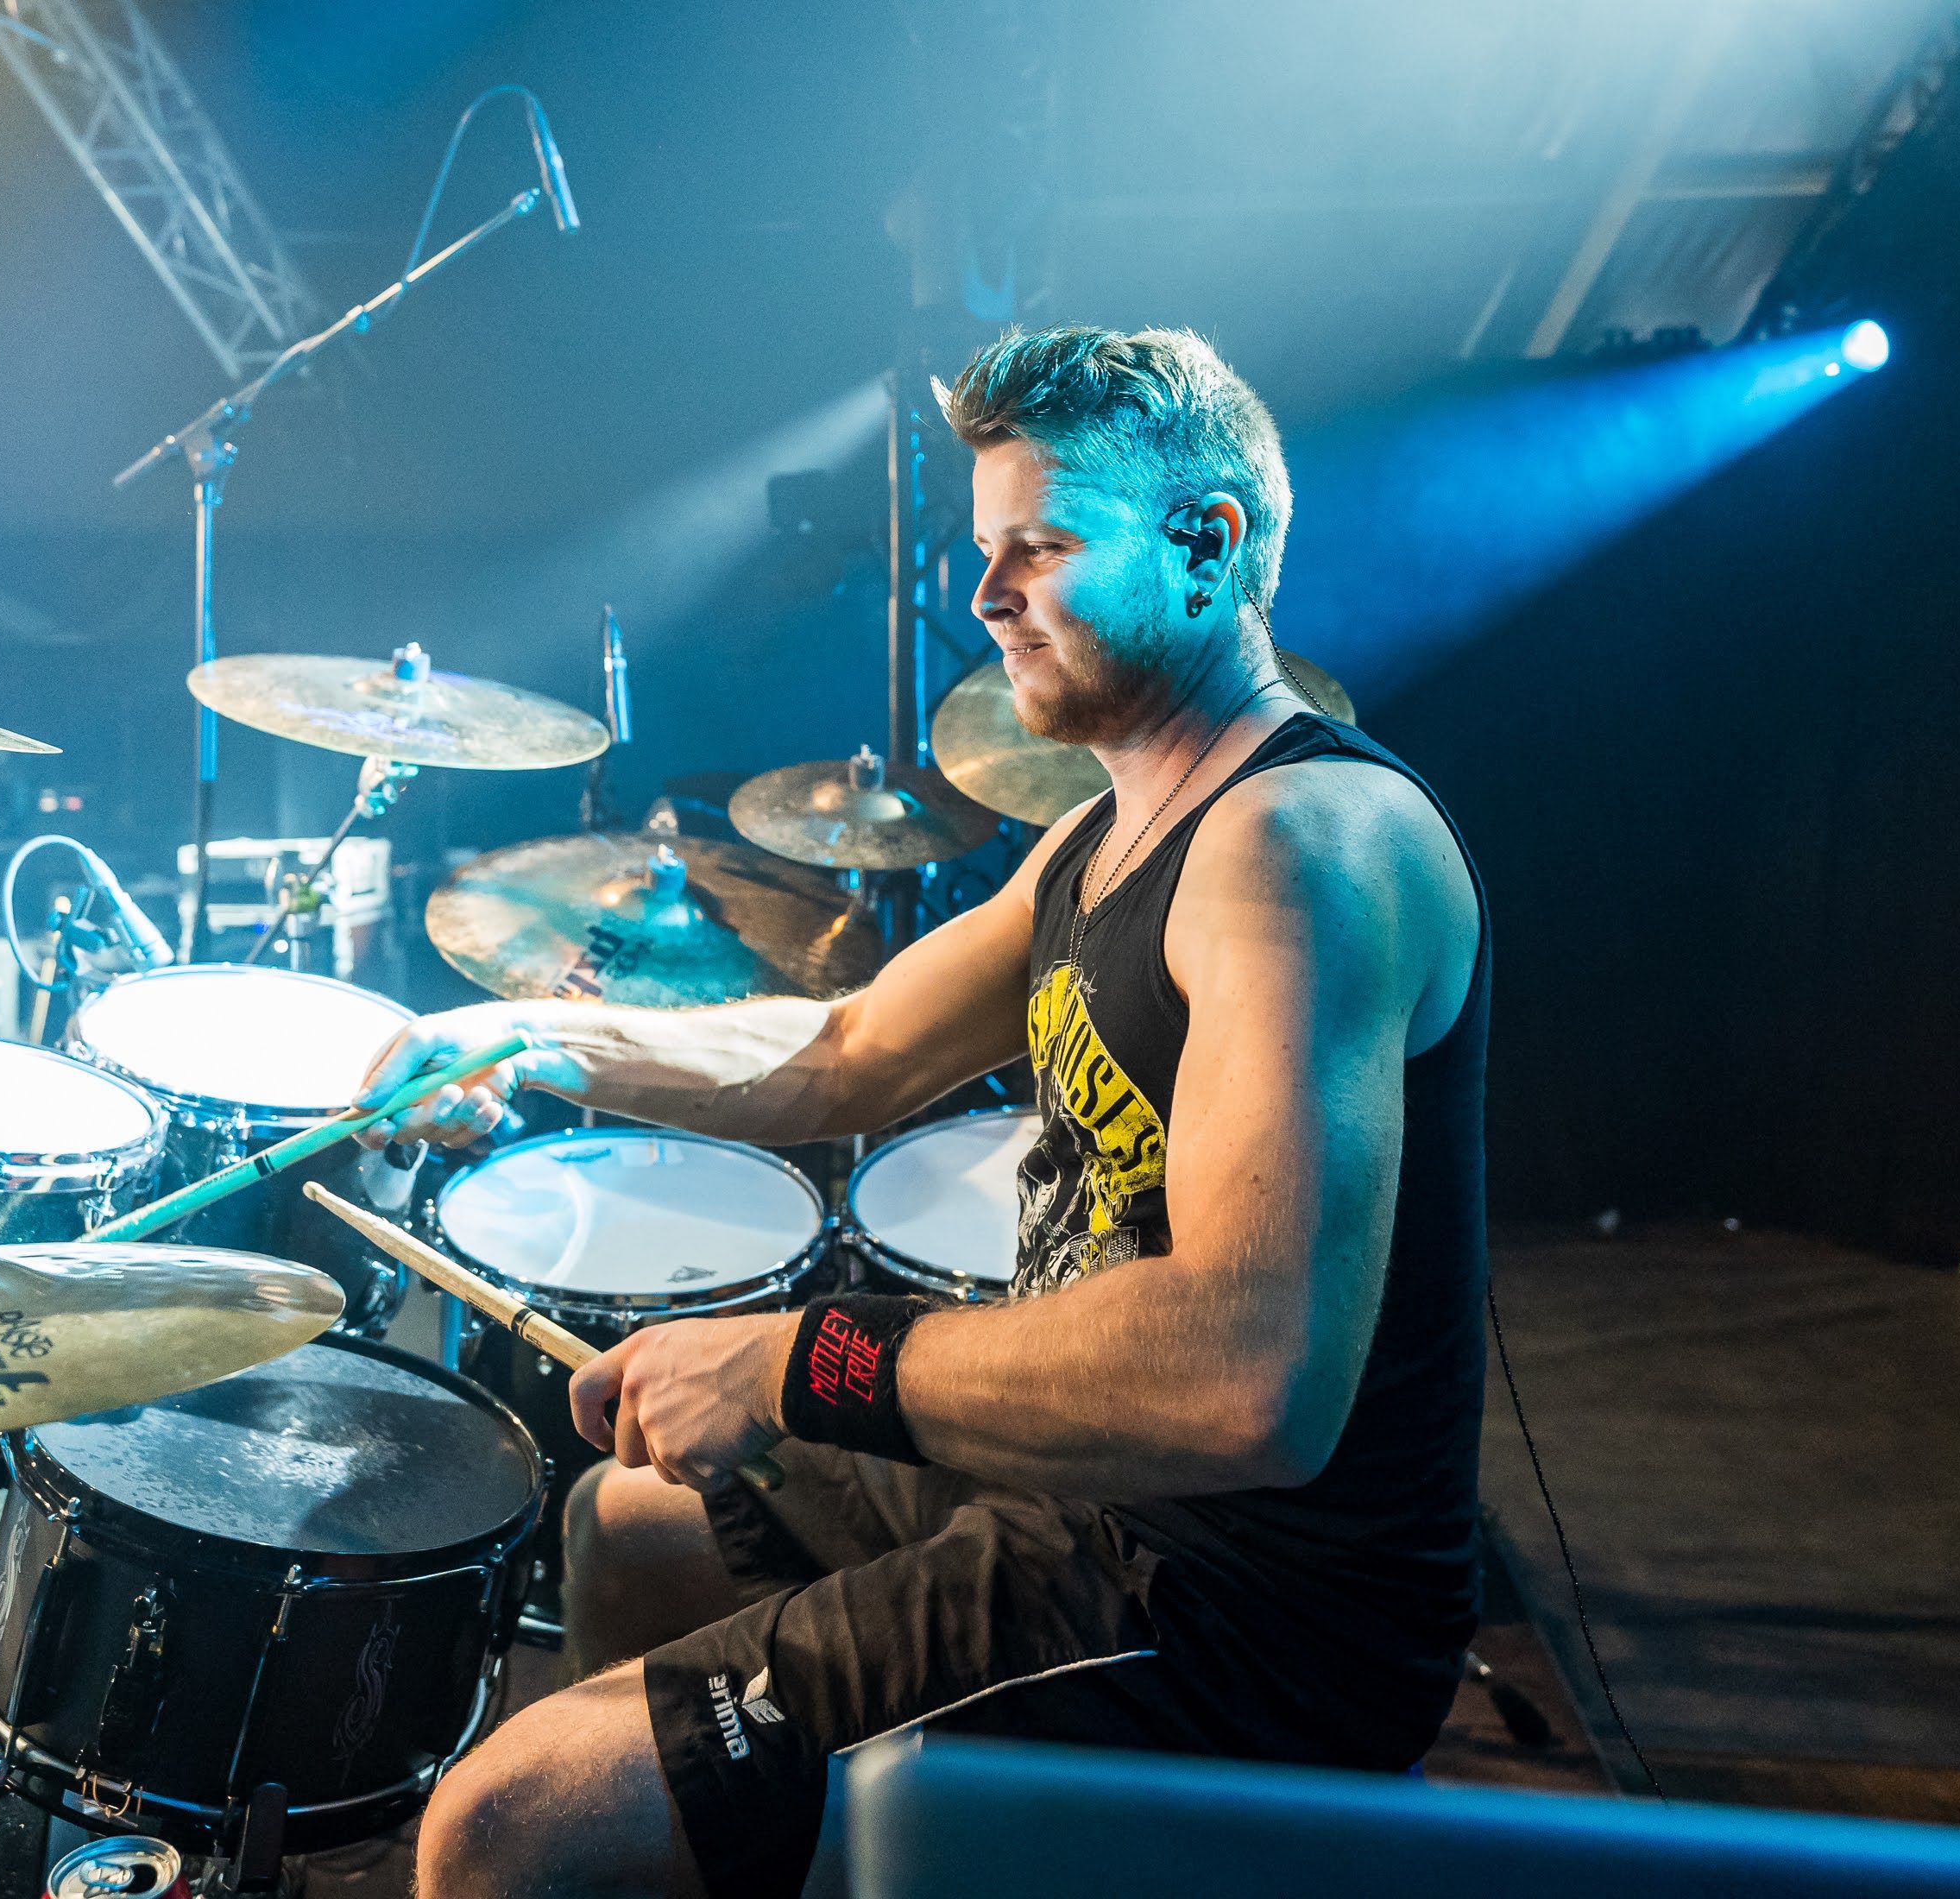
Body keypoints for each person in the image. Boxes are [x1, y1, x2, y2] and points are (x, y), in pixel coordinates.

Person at [355, 326, 1490, 1899]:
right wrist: (531, 1037)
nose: (987, 593)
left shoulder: (1297, 844)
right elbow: (847, 1049)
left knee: (501, 1828)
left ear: (1206, 545)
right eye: (987, 548)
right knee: (628, 1519)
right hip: (1084, 1490)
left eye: (1043, 548)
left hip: (1241, 1605)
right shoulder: (1103, 834)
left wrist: (789, 1361)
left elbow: (1253, 1379)